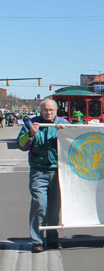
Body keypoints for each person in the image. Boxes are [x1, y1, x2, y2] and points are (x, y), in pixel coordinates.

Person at [16, 99, 69, 253]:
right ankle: (37, 240)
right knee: (40, 204)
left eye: (51, 110)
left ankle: (52, 239)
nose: (49, 113)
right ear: (40, 110)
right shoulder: (30, 123)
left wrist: (65, 133)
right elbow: (21, 145)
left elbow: (75, 143)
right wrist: (31, 134)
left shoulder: (63, 122)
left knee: (54, 208)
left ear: (56, 110)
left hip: (58, 171)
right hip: (38, 171)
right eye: (45, 110)